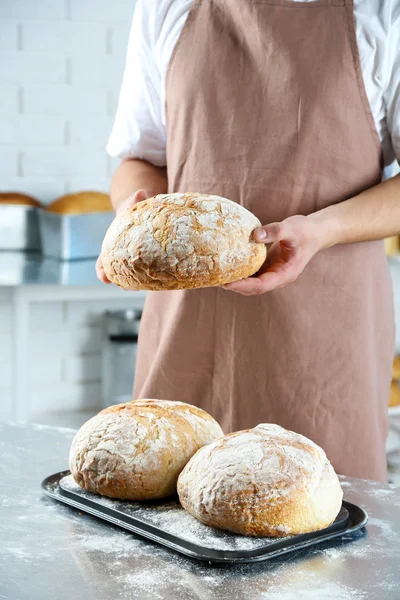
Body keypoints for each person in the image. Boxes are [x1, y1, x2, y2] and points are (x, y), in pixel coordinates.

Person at [98, 0, 400, 482]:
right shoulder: (165, 6)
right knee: (165, 506)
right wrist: (134, 220)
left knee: (317, 513)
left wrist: (321, 230)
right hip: (186, 318)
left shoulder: (382, 12)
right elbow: (140, 156)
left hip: (325, 324)